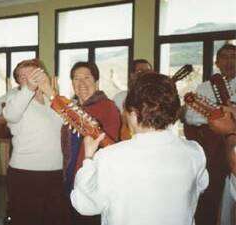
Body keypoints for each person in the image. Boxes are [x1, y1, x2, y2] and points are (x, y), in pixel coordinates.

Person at [70, 73, 208, 225]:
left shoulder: (110, 157)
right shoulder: (194, 152)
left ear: (133, 114)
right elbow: (200, 186)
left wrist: (88, 158)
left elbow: (85, 205)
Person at [3, 59, 70, 225]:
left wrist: (51, 92)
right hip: (25, 173)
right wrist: (30, 88)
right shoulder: (15, 98)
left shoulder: (52, 100)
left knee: (53, 219)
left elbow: (71, 119)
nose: (29, 79)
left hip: (55, 172)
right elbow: (10, 115)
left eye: (34, 75)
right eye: (23, 77)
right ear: (18, 82)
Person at [59, 62, 121, 225]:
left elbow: (110, 146)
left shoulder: (108, 106)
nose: (81, 83)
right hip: (71, 175)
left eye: (87, 78)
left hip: (94, 178)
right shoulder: (70, 108)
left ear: (97, 82)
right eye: (76, 79)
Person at [184, 43, 236, 225]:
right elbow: (190, 116)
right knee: (211, 194)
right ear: (217, 62)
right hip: (212, 149)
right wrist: (219, 119)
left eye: (233, 56)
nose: (230, 61)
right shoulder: (205, 87)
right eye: (225, 57)